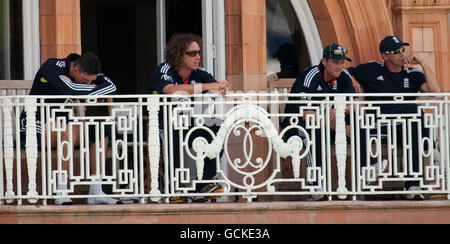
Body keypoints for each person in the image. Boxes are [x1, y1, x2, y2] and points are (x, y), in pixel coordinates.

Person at [19, 52, 121, 205]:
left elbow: (112, 87)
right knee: (68, 128)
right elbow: (70, 91)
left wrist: (78, 87)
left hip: (64, 125)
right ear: (74, 70)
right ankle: (61, 190)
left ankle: (96, 190)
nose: (87, 84)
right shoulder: (52, 67)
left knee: (100, 129)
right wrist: (93, 89)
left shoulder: (88, 69)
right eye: (85, 80)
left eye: (90, 82)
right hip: (35, 124)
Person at [348, 35, 441, 200]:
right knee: (414, 112)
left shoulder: (412, 73)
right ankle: (431, 148)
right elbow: (344, 72)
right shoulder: (373, 69)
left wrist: (424, 63)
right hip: (380, 125)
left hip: (405, 125)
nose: (401, 54)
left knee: (413, 123)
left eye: (403, 50)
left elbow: (436, 92)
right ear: (385, 55)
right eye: (396, 51)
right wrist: (354, 81)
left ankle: (412, 185)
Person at [147, 33, 231, 203]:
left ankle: (204, 183)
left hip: (190, 122)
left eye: (198, 52)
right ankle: (173, 187)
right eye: (192, 53)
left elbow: (218, 89)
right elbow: (171, 90)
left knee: (218, 130)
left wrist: (221, 86)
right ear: (178, 54)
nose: (197, 57)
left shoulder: (200, 73)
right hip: (161, 123)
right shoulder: (164, 70)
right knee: (172, 135)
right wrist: (208, 86)